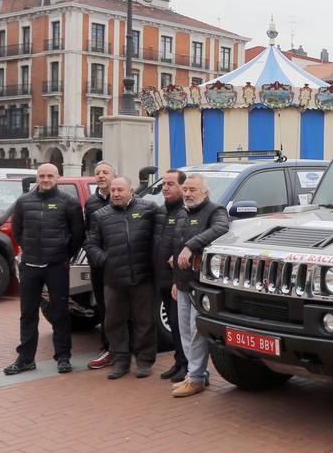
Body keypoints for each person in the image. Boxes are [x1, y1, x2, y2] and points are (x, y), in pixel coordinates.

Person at [5, 163, 85, 376]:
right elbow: (17, 231)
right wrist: (30, 251)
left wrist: (63, 254)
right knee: (28, 314)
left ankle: (63, 357)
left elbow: (77, 234)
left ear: (58, 178)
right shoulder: (23, 202)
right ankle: (25, 359)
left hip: (56, 266)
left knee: (60, 313)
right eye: (42, 176)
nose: (46, 179)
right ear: (37, 178)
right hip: (30, 266)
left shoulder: (69, 203)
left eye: (50, 176)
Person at [84, 176, 158, 379]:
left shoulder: (148, 209)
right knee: (114, 322)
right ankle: (121, 361)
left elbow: (160, 236)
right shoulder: (100, 215)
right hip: (114, 279)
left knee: (145, 321)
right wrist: (105, 260)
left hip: (142, 277)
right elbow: (90, 244)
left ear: (131, 191)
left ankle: (144, 361)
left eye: (120, 190)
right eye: (113, 190)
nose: (116, 194)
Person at [169, 174, 231, 398]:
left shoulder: (216, 211)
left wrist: (190, 246)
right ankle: (197, 374)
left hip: (201, 284)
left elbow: (221, 228)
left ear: (205, 192)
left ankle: (195, 378)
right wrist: (176, 279)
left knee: (196, 333)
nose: (187, 194)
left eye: (192, 189)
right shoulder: (183, 214)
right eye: (185, 189)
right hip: (183, 283)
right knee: (185, 331)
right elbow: (177, 249)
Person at [151, 169, 189, 381]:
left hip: (177, 280)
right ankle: (179, 362)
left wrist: (176, 278)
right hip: (161, 278)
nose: (165, 188)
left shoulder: (186, 214)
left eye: (170, 184)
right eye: (164, 184)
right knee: (174, 324)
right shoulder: (159, 212)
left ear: (182, 188)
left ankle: (187, 365)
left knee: (180, 323)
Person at [85, 161, 116, 370]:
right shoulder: (91, 203)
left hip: (121, 263)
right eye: (98, 173)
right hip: (99, 265)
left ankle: (123, 346)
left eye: (105, 172)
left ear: (114, 175)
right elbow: (88, 234)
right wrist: (95, 256)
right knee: (104, 306)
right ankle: (107, 346)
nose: (101, 176)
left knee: (122, 307)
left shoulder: (124, 198)